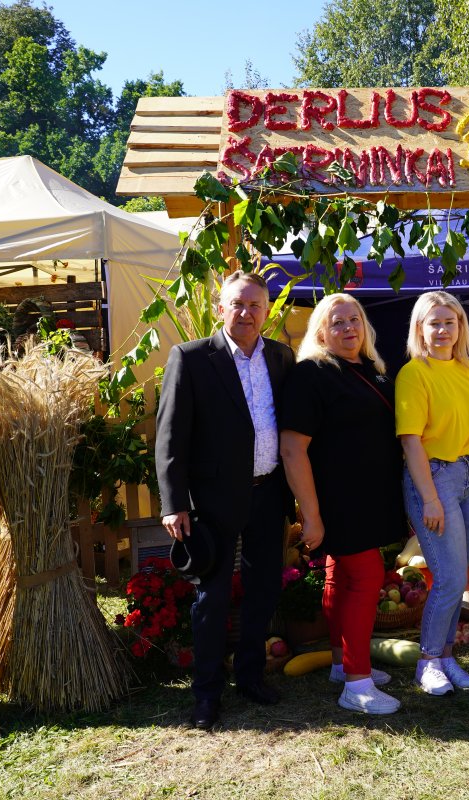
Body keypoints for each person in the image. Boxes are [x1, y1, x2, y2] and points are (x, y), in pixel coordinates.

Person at [156, 270, 294, 731]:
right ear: (221, 308)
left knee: (263, 591)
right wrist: (173, 502)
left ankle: (250, 677)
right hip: (212, 500)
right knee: (211, 599)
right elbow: (171, 436)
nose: (246, 313)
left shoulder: (281, 356)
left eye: (255, 305)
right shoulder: (192, 358)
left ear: (267, 311)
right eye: (237, 303)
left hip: (268, 492)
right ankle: (207, 694)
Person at [280, 293, 405, 715]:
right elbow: (293, 449)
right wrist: (311, 515)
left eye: (355, 319)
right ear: (321, 332)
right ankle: (357, 683)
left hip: (370, 498)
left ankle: (340, 662)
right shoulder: (312, 374)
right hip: (339, 499)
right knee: (366, 578)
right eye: (337, 322)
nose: (348, 327)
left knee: (339, 575)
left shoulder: (372, 370)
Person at [396, 290, 469, 696]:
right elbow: (410, 439)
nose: (443, 330)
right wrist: (430, 498)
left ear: (460, 327)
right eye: (435, 323)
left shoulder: (468, 370)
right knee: (448, 578)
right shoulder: (414, 373)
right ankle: (428, 661)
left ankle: (447, 656)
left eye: (451, 322)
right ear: (420, 328)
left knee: (458, 574)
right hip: (434, 476)